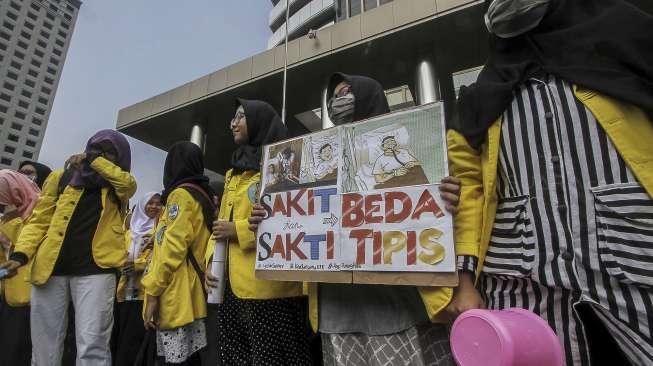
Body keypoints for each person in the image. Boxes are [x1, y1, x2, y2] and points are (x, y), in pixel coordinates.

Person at [449, 1, 653, 365]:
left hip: (636, 272)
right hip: (525, 292)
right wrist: (465, 282)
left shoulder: (630, 45)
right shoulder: (481, 96)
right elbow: (469, 190)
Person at [249, 73, 467, 366]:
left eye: (346, 92)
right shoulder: (311, 164)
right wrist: (267, 220)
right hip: (337, 309)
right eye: (334, 97)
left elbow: (432, 213)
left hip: (398, 305)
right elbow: (298, 222)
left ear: (368, 95)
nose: (339, 102)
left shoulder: (419, 150)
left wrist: (450, 197)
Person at [0, 129, 135, 366]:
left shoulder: (118, 183)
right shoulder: (61, 177)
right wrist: (21, 255)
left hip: (96, 270)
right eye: (97, 149)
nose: (102, 155)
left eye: (109, 153)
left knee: (92, 344)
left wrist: (95, 160)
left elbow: (128, 184)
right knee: (44, 346)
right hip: (51, 269)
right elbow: (39, 220)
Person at [205, 98, 312, 365]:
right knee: (235, 356)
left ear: (258, 121)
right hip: (230, 289)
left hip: (269, 289)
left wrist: (238, 230)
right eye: (233, 118)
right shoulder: (233, 174)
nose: (233, 123)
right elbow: (220, 224)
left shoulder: (287, 165)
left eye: (241, 116)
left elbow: (292, 220)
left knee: (273, 358)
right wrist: (209, 262)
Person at [141, 141, 215, 366]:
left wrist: (153, 292)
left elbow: (174, 248)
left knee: (174, 360)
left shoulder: (180, 196)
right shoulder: (202, 194)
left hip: (176, 292)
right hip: (191, 294)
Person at [113, 192, 162, 366]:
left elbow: (158, 259)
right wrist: (122, 264)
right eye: (150, 203)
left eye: (158, 203)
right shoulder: (128, 233)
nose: (154, 206)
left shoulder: (158, 233)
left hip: (144, 297)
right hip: (122, 295)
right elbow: (116, 255)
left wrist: (138, 265)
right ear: (142, 205)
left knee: (137, 343)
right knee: (120, 341)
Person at [0, 170, 40, 366]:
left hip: (28, 300)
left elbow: (26, 247)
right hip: (7, 296)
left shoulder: (38, 216)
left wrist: (11, 218)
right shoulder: (6, 218)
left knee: (17, 355)